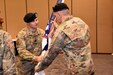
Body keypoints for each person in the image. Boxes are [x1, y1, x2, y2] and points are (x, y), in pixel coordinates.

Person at [35, 3, 95, 75]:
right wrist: (58, 28)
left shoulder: (61, 31)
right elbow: (74, 37)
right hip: (89, 67)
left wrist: (38, 68)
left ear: (59, 14)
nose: (56, 19)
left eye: (55, 16)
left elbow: (51, 54)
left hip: (76, 71)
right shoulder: (81, 22)